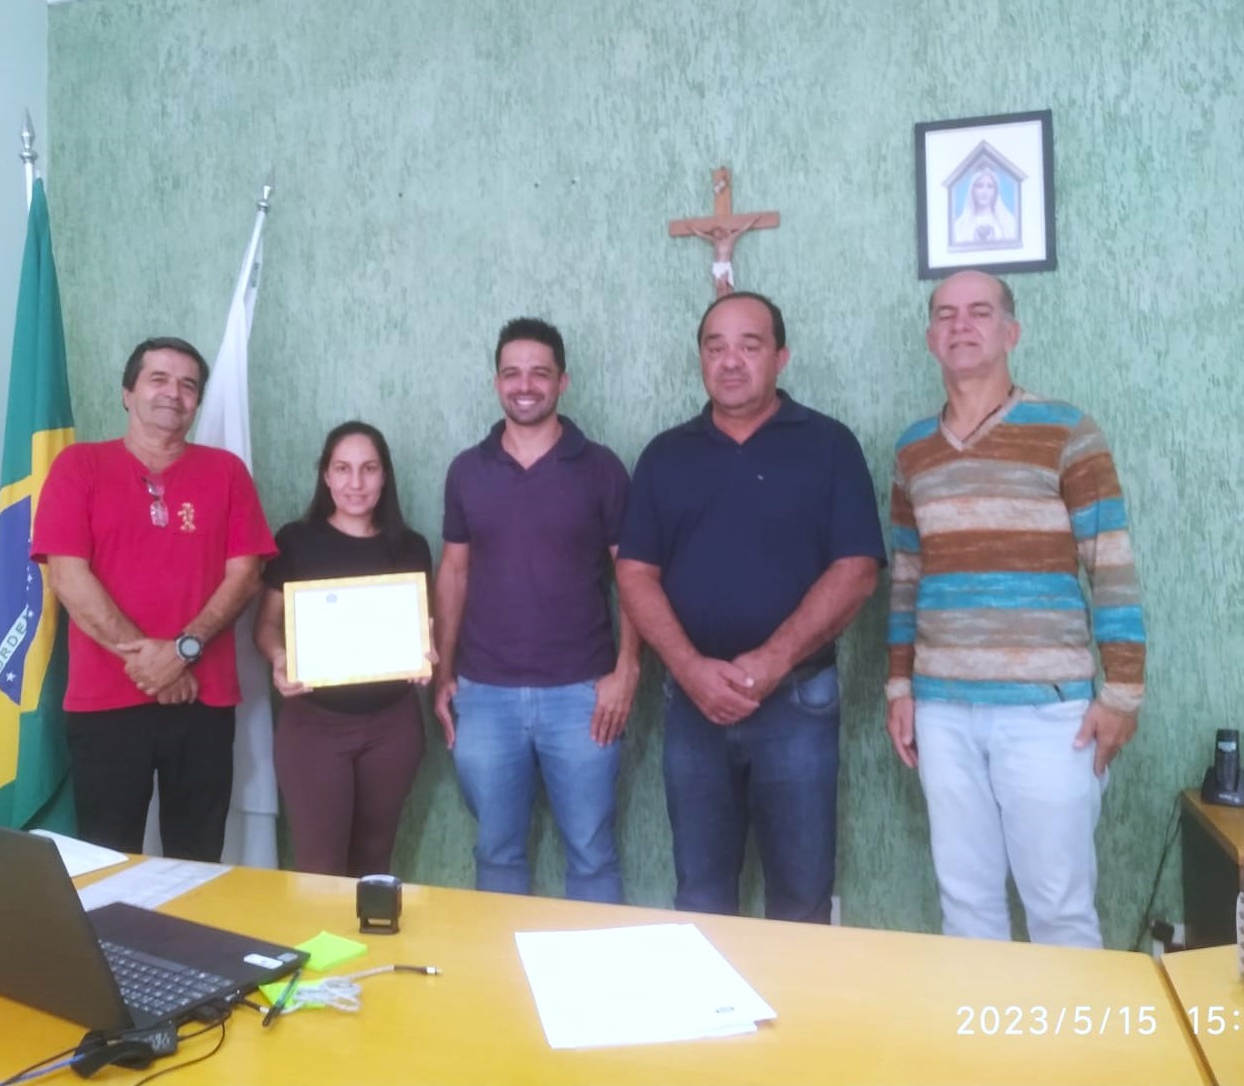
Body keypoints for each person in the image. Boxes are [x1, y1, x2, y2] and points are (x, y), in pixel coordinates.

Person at [884, 270, 1146, 948]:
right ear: (929, 337)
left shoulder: (1066, 431)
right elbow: (908, 577)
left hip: (1049, 710)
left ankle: (1071, 1055)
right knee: (966, 905)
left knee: (1058, 905)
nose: (960, 325)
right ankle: (990, 1051)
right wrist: (899, 682)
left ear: (1011, 331)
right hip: (942, 709)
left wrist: (1122, 694)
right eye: (945, 314)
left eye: (979, 312)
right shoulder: (913, 449)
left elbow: (1110, 562)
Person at [616, 292, 885, 923]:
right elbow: (634, 573)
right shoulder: (665, 455)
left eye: (749, 344)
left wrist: (770, 661)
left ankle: (805, 1023)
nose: (730, 361)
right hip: (691, 706)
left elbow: (857, 570)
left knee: (801, 895)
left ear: (781, 357)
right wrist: (687, 668)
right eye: (715, 347)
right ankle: (713, 1023)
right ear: (701, 361)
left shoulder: (829, 445)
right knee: (701, 898)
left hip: (795, 702)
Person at [33, 336, 273, 860]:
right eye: (158, 379)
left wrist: (182, 650)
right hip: (106, 701)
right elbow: (68, 577)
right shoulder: (79, 467)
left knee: (197, 859)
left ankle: (186, 946)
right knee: (106, 858)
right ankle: (110, 947)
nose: (174, 393)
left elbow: (246, 574)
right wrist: (150, 661)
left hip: (202, 699)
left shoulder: (227, 473)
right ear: (127, 393)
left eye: (189, 385)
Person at [433, 317, 640, 903]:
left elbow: (634, 579)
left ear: (563, 382)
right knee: (495, 851)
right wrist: (444, 674)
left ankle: (595, 990)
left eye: (539, 374)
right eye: (512, 373)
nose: (525, 385)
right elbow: (454, 572)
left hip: (583, 695)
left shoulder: (601, 468)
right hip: (484, 694)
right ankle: (504, 985)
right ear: (497, 381)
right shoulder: (466, 471)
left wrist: (628, 670)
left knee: (592, 852)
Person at [253, 422, 433, 877]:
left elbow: (420, 631)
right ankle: (321, 950)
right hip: (314, 725)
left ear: (385, 476)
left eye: (368, 469)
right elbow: (267, 626)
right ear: (326, 476)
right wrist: (279, 658)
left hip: (393, 726)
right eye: (343, 469)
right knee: (320, 867)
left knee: (375, 861)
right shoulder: (295, 541)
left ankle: (371, 951)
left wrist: (424, 653)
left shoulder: (411, 547)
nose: (356, 483)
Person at [950, 168, 1019, 248]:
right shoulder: (960, 225)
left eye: (990, 186)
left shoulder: (1009, 223)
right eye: (979, 186)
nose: (985, 191)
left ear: (996, 191)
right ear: (972, 190)